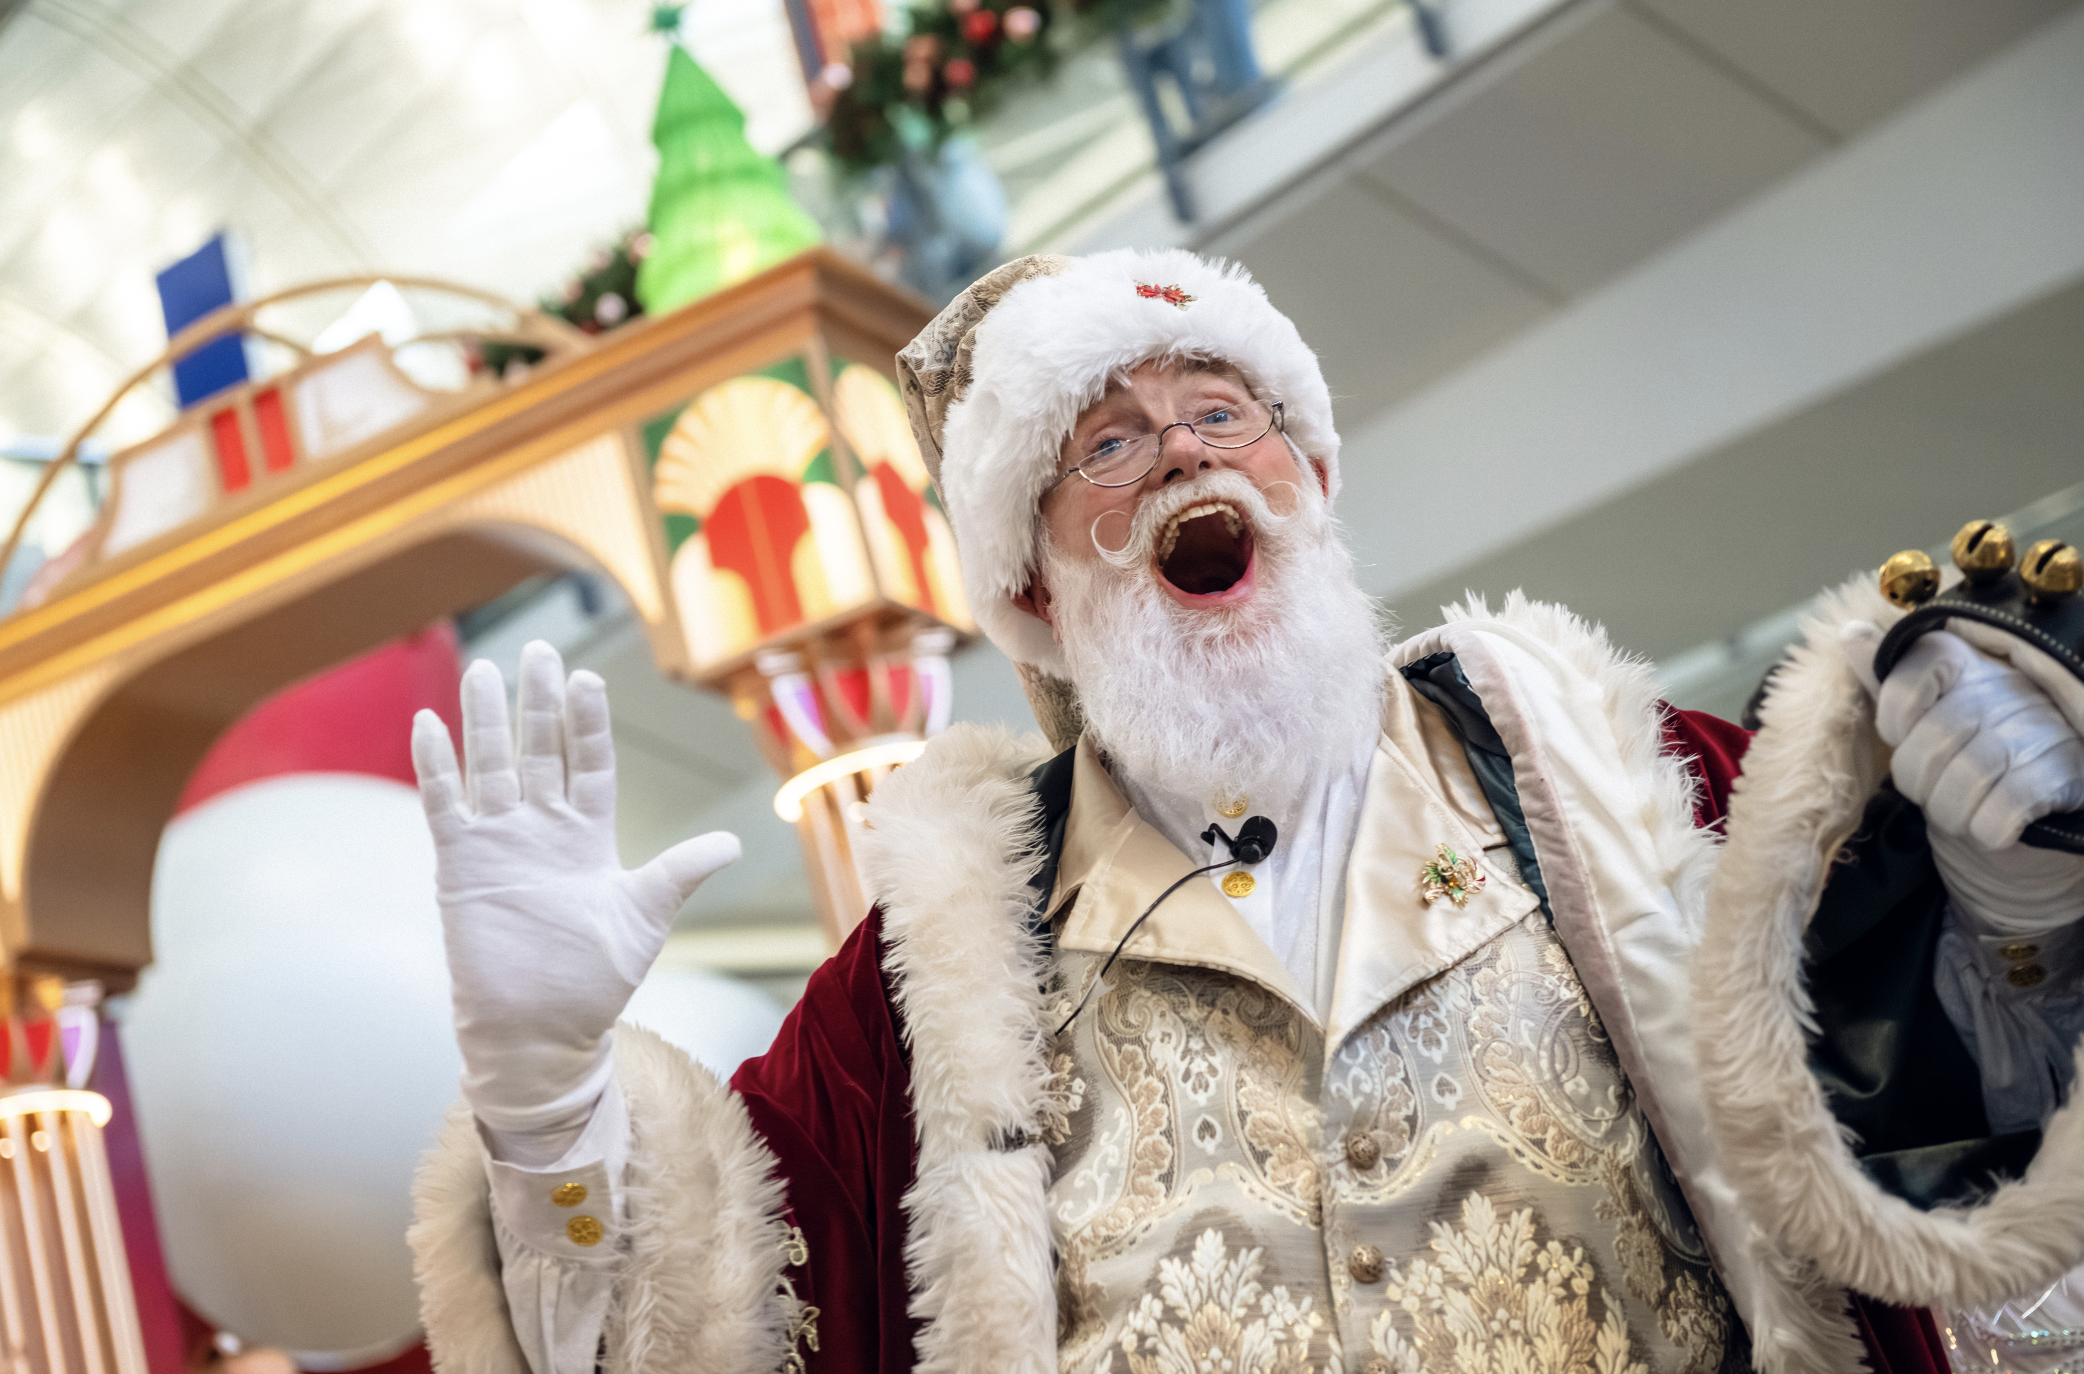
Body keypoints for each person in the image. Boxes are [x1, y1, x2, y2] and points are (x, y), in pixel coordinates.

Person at [405, 250, 2084, 1374]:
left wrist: (2017, 895)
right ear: (1034, 588)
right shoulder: (921, 1000)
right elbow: (713, 1327)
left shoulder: (1644, 791)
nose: (1191, 461)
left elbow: (1948, 1144)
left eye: (1227, 413)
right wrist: (547, 1105)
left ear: (1312, 481)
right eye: (1112, 444)